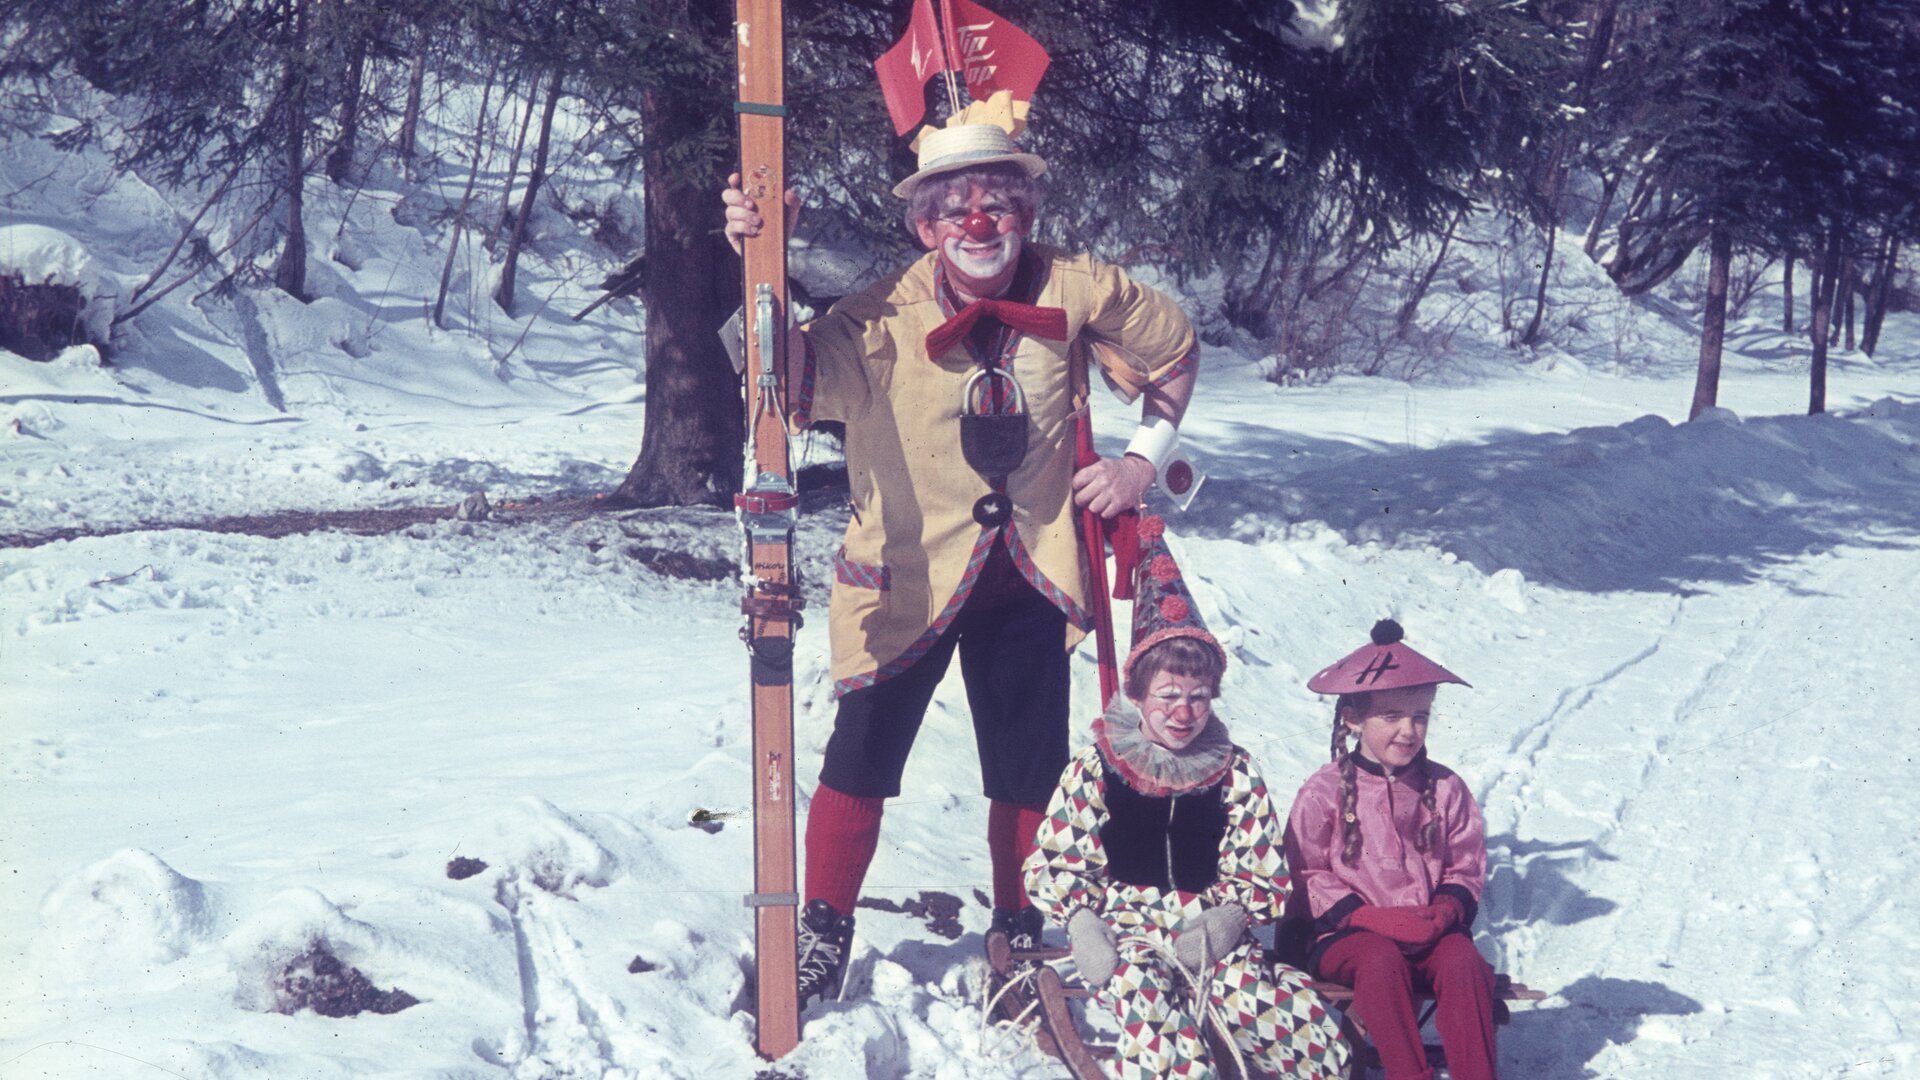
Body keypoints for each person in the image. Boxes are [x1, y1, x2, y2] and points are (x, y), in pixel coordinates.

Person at [721, 96, 1201, 1007]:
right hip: (903, 576)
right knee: (859, 758)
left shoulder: (1079, 285)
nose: (978, 224)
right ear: (923, 222)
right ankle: (824, 924)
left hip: (1029, 573)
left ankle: (1019, 925)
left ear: (1028, 209)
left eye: (998, 201)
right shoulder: (876, 316)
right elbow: (777, 379)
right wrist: (757, 261)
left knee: (1028, 765)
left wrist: (1143, 464)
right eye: (953, 206)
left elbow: (1175, 352)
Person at [1023, 516, 1351, 1080]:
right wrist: (1082, 923)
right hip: (1126, 930)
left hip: (1210, 933)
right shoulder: (1098, 765)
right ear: (1140, 693)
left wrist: (1229, 918)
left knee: (1309, 1041)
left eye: (1198, 698)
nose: (1183, 713)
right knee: (1151, 1014)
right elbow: (1059, 856)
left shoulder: (1234, 769)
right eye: (1169, 695)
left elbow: (1260, 865)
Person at [1282, 619, 1500, 1080]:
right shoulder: (1323, 792)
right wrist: (1365, 917)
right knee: (1379, 961)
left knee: (1465, 963)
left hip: (1428, 933)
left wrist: (1443, 912)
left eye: (1420, 716)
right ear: (1353, 718)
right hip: (1345, 938)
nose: (1408, 730)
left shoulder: (1444, 788)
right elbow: (1303, 872)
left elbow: (1466, 862)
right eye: (1391, 717)